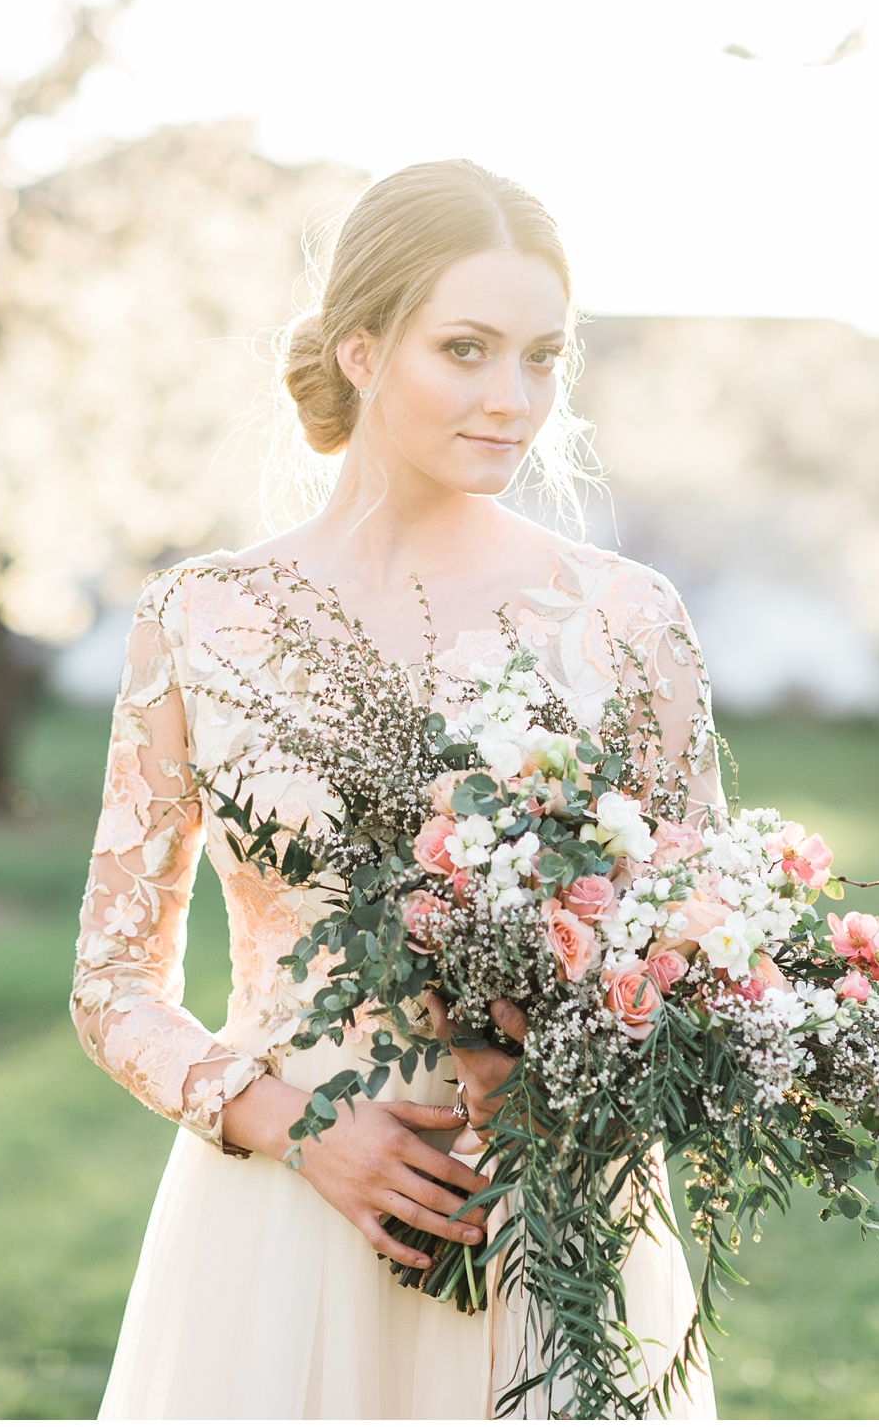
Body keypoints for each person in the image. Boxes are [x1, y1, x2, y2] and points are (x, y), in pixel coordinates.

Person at [72, 160, 722, 1419]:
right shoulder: (203, 619)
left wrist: (556, 1066)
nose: (512, 398)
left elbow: (696, 945)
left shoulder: (626, 621)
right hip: (281, 1234)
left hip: (547, 1224)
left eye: (543, 357)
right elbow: (111, 986)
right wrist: (295, 1126)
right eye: (466, 350)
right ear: (362, 349)